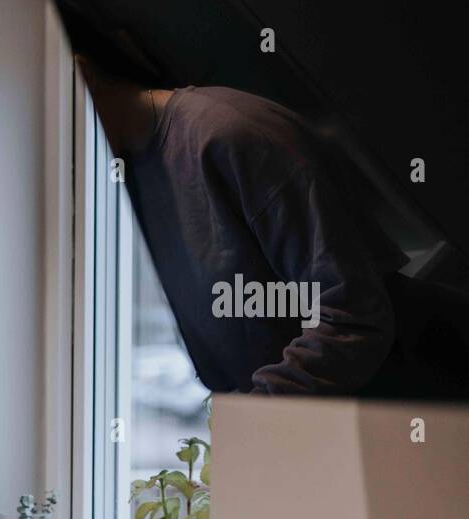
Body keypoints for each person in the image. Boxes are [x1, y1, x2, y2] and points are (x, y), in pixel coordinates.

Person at [76, 54, 469, 399]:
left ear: (77, 71)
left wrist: (256, 424)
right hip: (316, 429)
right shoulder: (125, 172)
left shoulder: (230, 133)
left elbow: (351, 316)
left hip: (412, 399)